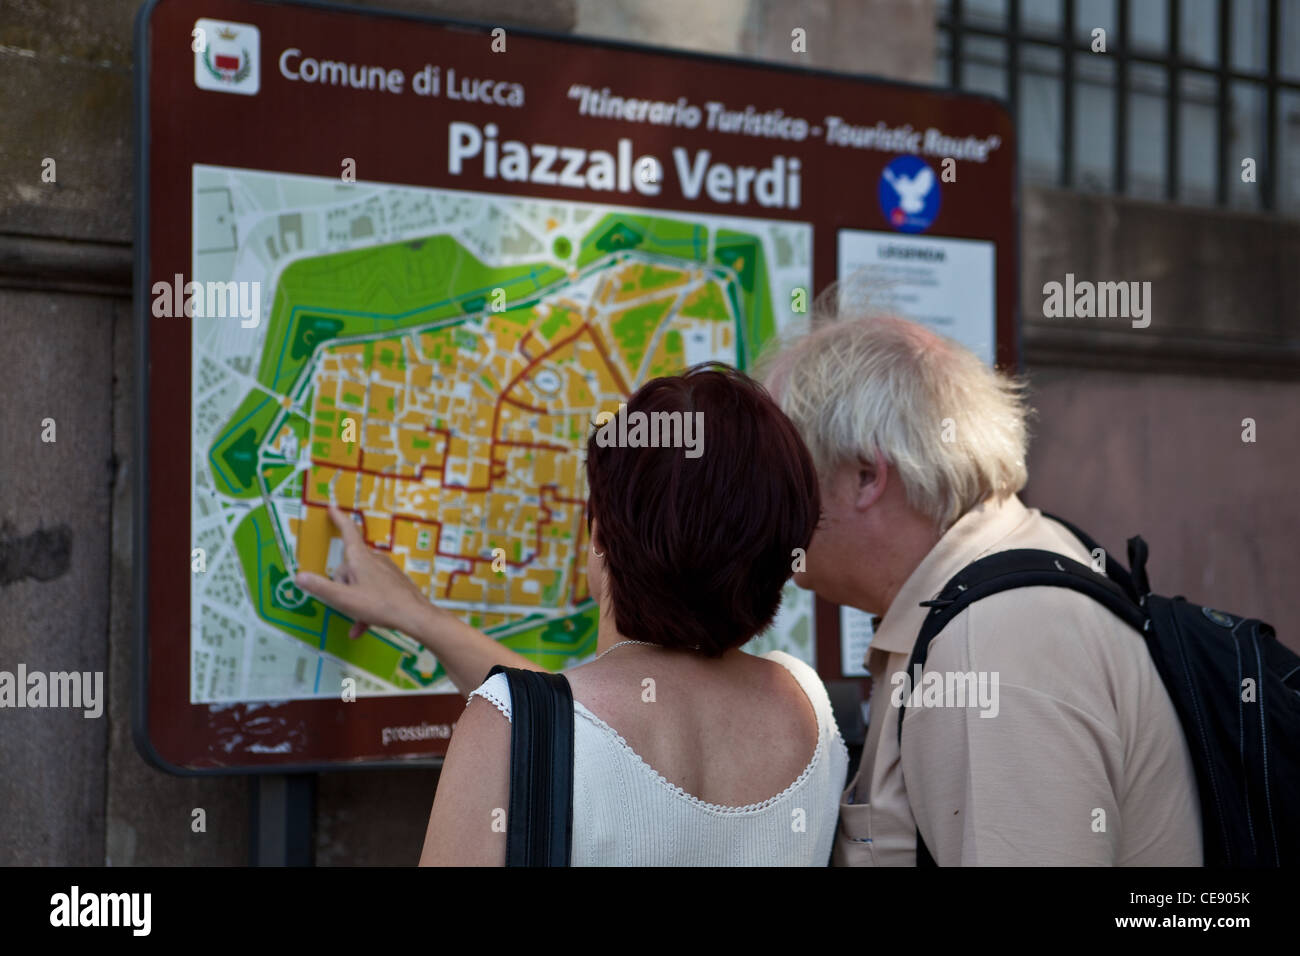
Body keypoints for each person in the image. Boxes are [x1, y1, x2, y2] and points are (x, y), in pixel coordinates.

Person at [296, 365, 849, 865]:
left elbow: (572, 735)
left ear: (601, 532)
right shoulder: (807, 707)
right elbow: (583, 729)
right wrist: (420, 618)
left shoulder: (510, 726)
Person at [759, 313, 1202, 866]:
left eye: (784, 478)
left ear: (866, 476)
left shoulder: (991, 638)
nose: (768, 506)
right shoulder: (1007, 579)